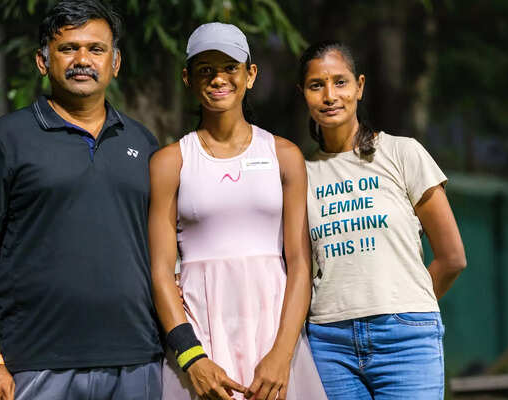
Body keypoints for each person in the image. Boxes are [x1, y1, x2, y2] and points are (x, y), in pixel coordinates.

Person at [0, 1, 163, 399]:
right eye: (68, 49)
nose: (82, 60)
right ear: (42, 61)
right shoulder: (4, 139)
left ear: (115, 63)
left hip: (136, 359)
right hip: (35, 363)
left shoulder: (142, 142)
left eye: (96, 49)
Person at [149, 23, 326, 400]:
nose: (218, 79)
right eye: (205, 69)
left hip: (276, 336)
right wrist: (192, 357)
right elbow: (161, 271)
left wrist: (281, 354)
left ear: (251, 75)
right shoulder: (169, 162)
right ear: (188, 78)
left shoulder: (285, 155)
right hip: (200, 340)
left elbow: (299, 264)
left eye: (230, 67)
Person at [299, 41, 467, 399]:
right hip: (330, 343)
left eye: (340, 82)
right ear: (303, 93)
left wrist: (406, 305)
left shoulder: (402, 153)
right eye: (317, 85)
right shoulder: (301, 174)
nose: (330, 95)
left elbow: (453, 257)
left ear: (359, 86)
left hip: (406, 339)